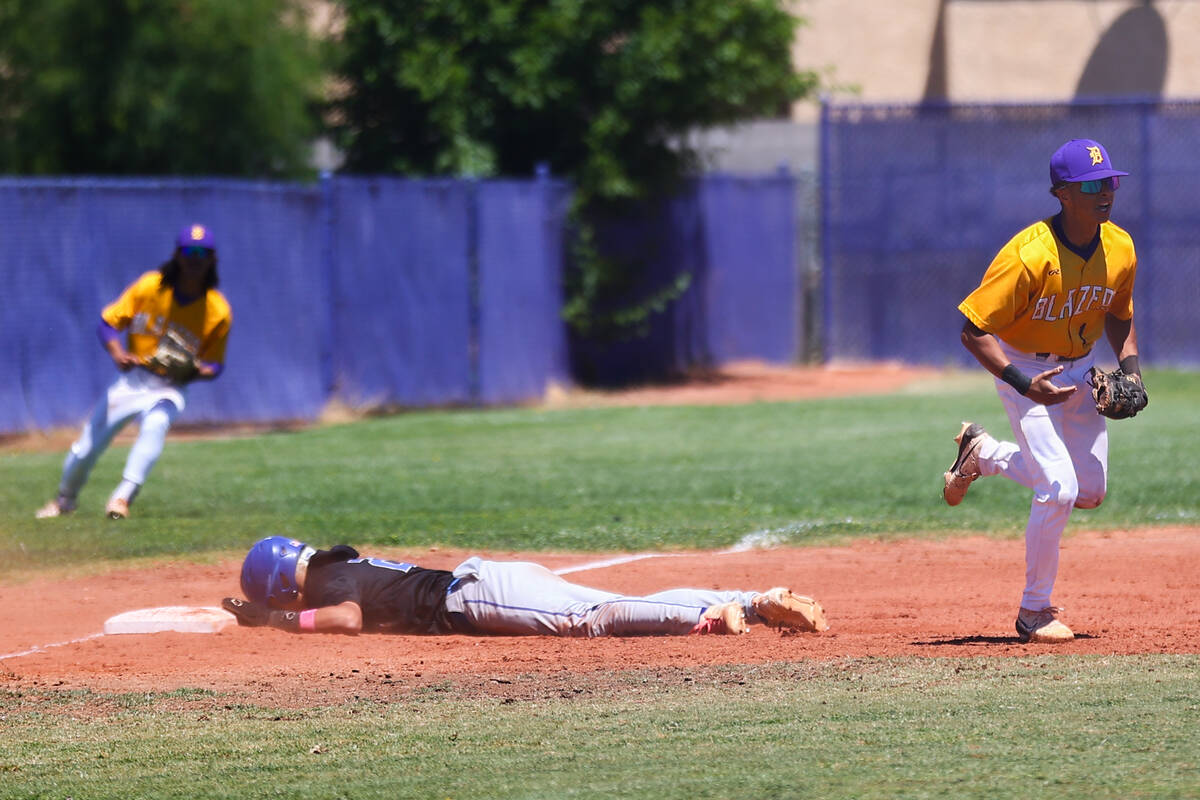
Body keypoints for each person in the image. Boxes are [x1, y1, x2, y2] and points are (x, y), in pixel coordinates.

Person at [943, 138, 1142, 644]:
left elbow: (1119, 314)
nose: (1105, 193)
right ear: (1062, 194)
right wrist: (1019, 382)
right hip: (1025, 368)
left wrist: (1132, 370)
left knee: (1089, 493)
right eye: (1091, 185)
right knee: (1059, 488)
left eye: (1110, 182)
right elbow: (973, 328)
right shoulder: (1028, 255)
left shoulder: (1120, 247)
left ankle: (983, 453)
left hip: (1083, 370)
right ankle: (1035, 612)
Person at [221, 536, 830, 637]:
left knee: (592, 618)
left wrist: (277, 622)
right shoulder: (338, 564)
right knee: (598, 608)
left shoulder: (328, 584)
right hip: (490, 582)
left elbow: (346, 619)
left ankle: (714, 615)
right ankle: (752, 602)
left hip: (475, 597)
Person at [35, 224, 233, 520]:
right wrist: (118, 353)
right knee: (86, 448)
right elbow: (108, 323)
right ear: (177, 255)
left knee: (156, 425)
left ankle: (122, 498)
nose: (195, 258)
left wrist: (194, 371)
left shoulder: (217, 311)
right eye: (189, 251)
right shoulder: (150, 287)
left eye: (202, 253)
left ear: (213, 260)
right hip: (133, 381)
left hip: (171, 386)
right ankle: (64, 500)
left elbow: (215, 365)